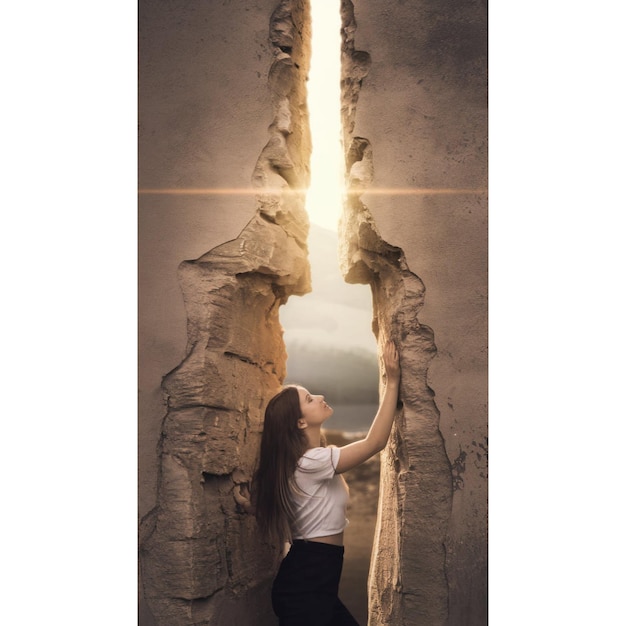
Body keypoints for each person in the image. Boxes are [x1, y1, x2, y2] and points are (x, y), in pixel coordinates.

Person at [234, 338, 401, 626]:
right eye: (309, 399)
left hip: (313, 582)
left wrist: (252, 507)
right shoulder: (312, 462)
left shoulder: (301, 462)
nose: (320, 397)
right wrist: (393, 381)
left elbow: (294, 504)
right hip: (306, 584)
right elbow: (375, 442)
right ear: (300, 423)